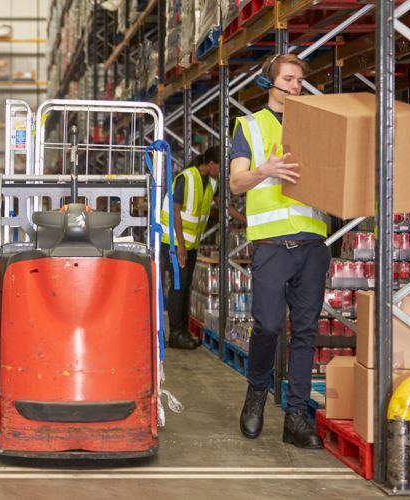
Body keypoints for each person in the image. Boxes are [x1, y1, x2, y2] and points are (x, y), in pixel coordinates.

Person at [229, 53, 330, 449]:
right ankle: (256, 395)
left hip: (312, 244)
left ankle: (296, 416)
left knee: (305, 332)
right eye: (288, 79)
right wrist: (264, 172)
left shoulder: (317, 127)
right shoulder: (250, 127)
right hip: (271, 246)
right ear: (269, 83)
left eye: (299, 80)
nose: (295, 85)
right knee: (269, 326)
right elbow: (237, 184)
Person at [160, 146, 245, 349]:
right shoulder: (186, 178)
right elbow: (175, 212)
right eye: (221, 167)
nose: (223, 172)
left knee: (186, 285)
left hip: (190, 243)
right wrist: (179, 245)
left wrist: (246, 220)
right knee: (178, 286)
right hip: (173, 242)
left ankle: (182, 331)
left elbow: (224, 206)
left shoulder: (210, 183)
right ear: (211, 164)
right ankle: (175, 334)